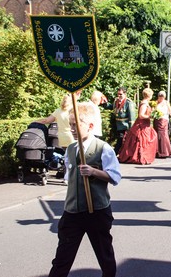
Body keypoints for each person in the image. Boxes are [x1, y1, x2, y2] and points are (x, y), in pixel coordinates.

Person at [48, 102, 122, 277]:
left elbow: (115, 177)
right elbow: (69, 176)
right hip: (72, 212)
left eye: (76, 125)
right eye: (70, 124)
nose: (72, 128)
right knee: (62, 259)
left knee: (105, 255)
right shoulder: (71, 149)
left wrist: (94, 171)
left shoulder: (103, 148)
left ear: (90, 126)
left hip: (96, 210)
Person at [118, 88, 158, 165]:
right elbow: (141, 115)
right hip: (141, 125)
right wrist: (150, 116)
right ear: (149, 95)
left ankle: (143, 156)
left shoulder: (146, 103)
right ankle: (139, 157)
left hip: (146, 124)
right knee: (141, 140)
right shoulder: (144, 103)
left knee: (148, 138)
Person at [154, 90, 171, 158]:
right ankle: (157, 151)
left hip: (164, 120)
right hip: (157, 120)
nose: (161, 98)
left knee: (164, 135)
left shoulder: (166, 103)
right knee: (157, 135)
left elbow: (170, 112)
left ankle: (165, 152)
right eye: (160, 96)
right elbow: (152, 111)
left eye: (162, 96)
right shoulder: (155, 102)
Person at [113, 87, 136, 155]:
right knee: (120, 140)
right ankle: (121, 154)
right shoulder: (116, 101)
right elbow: (113, 107)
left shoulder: (128, 103)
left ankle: (114, 153)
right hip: (118, 125)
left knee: (120, 140)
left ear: (125, 93)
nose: (119, 96)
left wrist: (131, 128)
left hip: (125, 126)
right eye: (118, 94)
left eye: (120, 94)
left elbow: (132, 117)